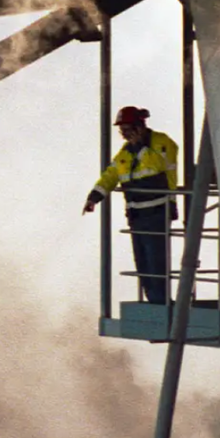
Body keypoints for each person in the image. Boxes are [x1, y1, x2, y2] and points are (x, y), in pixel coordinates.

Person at [83, 107, 178, 304]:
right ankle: (154, 302)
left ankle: (162, 303)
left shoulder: (161, 142)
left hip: (157, 212)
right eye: (122, 130)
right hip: (136, 215)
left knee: (156, 261)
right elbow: (110, 176)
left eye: (127, 129)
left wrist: (141, 146)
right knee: (142, 263)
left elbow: (158, 166)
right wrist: (94, 197)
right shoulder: (125, 153)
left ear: (139, 127)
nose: (124, 134)